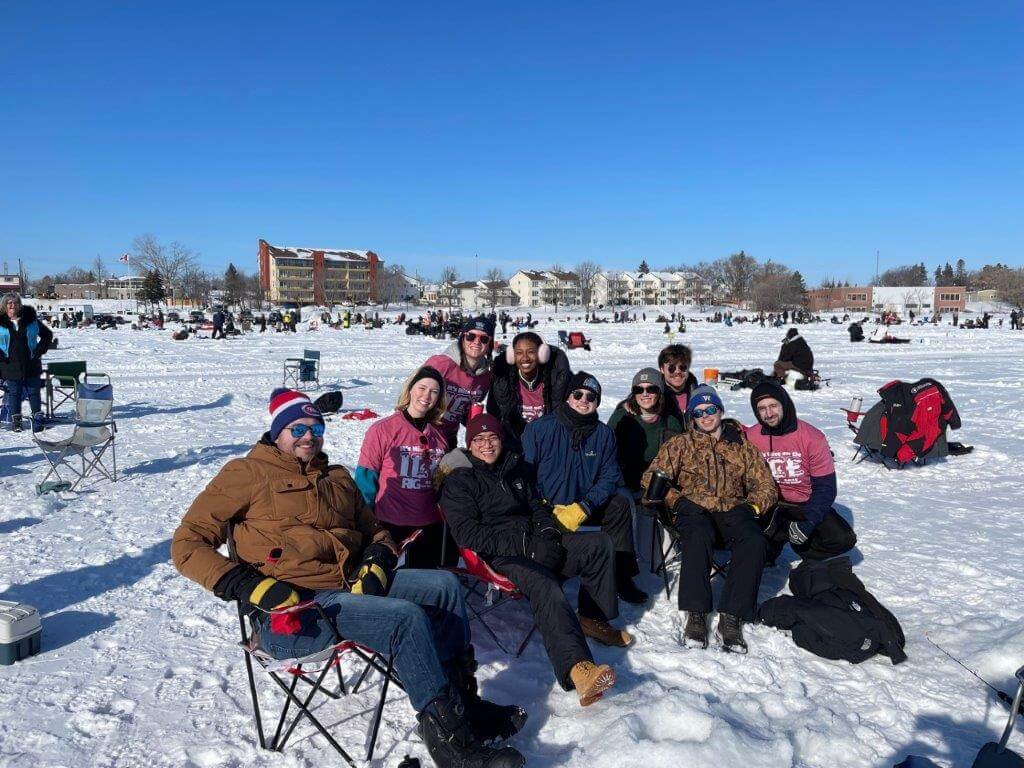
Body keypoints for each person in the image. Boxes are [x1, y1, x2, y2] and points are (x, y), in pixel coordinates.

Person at [171, 389, 526, 768]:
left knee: (444, 587)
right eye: (298, 428)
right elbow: (187, 544)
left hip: (344, 588)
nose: (309, 435)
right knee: (406, 618)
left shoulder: (336, 476)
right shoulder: (245, 473)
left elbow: (376, 531)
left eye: (316, 427)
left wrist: (375, 560)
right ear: (277, 432)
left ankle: (462, 706)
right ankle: (452, 746)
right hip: (293, 610)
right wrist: (246, 585)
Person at [440, 414, 621, 706]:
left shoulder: (515, 469)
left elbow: (536, 505)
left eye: (493, 438)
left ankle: (592, 618)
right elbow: (469, 534)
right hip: (501, 554)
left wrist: (547, 529)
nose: (487, 445)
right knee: (545, 583)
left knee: (598, 544)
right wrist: (526, 546)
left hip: (535, 540)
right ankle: (579, 668)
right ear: (469, 444)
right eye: (479, 439)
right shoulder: (460, 482)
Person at [642, 385, 777, 653]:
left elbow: (767, 487)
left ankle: (732, 617)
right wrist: (677, 501)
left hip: (733, 511)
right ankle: (696, 614)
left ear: (720, 411)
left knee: (754, 540)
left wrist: (752, 508)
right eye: (699, 412)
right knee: (697, 534)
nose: (706, 416)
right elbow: (650, 478)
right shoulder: (680, 445)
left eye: (711, 409)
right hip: (694, 512)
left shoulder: (742, 447)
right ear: (692, 417)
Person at [522, 372, 647, 605]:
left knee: (619, 504)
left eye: (591, 397)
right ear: (568, 397)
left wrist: (584, 506)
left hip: (582, 507)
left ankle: (621, 576)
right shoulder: (539, 429)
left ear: (597, 403)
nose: (584, 400)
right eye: (578, 394)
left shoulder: (604, 434)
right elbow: (525, 475)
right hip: (546, 508)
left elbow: (610, 477)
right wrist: (542, 506)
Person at [743, 381, 857, 563]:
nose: (769, 413)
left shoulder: (812, 437)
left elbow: (825, 487)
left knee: (842, 539)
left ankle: (802, 547)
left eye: (773, 405)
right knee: (759, 556)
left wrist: (809, 522)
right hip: (770, 504)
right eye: (762, 408)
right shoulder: (751, 436)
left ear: (784, 404)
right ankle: (777, 538)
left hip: (804, 504)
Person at [356, 366, 455, 568]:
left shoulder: (439, 436)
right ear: (410, 389)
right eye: (422, 388)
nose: (426, 395)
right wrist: (366, 525)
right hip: (390, 523)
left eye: (434, 391)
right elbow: (365, 481)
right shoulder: (382, 430)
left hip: (428, 525)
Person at [486, 331, 572, 451]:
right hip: (514, 447)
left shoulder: (557, 380)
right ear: (512, 356)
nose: (525, 358)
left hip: (549, 447)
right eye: (519, 353)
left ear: (542, 355)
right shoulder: (502, 381)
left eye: (531, 352)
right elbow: (493, 414)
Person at [606, 368, 683, 493]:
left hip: (659, 490)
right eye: (638, 390)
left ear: (660, 392)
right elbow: (605, 453)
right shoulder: (621, 418)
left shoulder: (671, 422)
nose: (645, 394)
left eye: (651, 389)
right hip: (623, 488)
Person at [425, 317, 494, 447]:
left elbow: (464, 414)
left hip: (449, 439)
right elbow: (410, 398)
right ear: (462, 337)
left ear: (489, 344)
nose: (476, 342)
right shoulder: (440, 364)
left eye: (484, 339)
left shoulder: (485, 376)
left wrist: (475, 420)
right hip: (423, 435)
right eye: (471, 336)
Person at [0, 293, 53, 432]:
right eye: (9, 303)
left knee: (33, 392)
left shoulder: (31, 320)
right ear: (4, 306)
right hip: (9, 364)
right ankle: (16, 422)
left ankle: (37, 420)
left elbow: (47, 335)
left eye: (15, 303)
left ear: (19, 305)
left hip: (31, 363)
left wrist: (39, 351)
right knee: (14, 394)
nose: (12, 305)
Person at [657, 344, 698, 425]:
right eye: (671, 368)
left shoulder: (698, 394)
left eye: (682, 367)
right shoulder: (655, 394)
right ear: (662, 369)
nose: (677, 372)